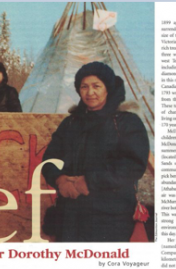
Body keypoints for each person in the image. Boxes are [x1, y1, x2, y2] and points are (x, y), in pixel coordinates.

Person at [41, 61, 149, 242]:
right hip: (71, 215)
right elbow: (50, 160)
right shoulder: (71, 123)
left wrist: (89, 181)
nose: (90, 92)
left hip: (111, 216)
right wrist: (60, 180)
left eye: (96, 86)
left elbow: (133, 165)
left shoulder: (126, 122)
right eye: (84, 87)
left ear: (108, 88)